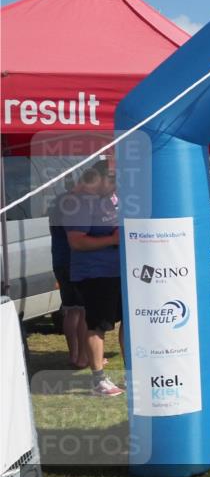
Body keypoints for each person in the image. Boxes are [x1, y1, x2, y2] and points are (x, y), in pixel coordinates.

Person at [64, 163, 125, 397]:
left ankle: (132, 373)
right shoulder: (78, 202)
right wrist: (112, 239)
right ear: (96, 178)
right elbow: (77, 241)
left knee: (127, 322)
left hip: (118, 271)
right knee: (98, 324)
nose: (115, 184)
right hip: (95, 273)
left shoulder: (111, 199)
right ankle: (98, 380)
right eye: (111, 179)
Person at [49, 174, 99, 369]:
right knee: (83, 310)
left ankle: (74, 355)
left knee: (71, 309)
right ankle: (84, 357)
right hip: (75, 261)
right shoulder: (75, 203)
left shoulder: (56, 201)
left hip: (59, 259)